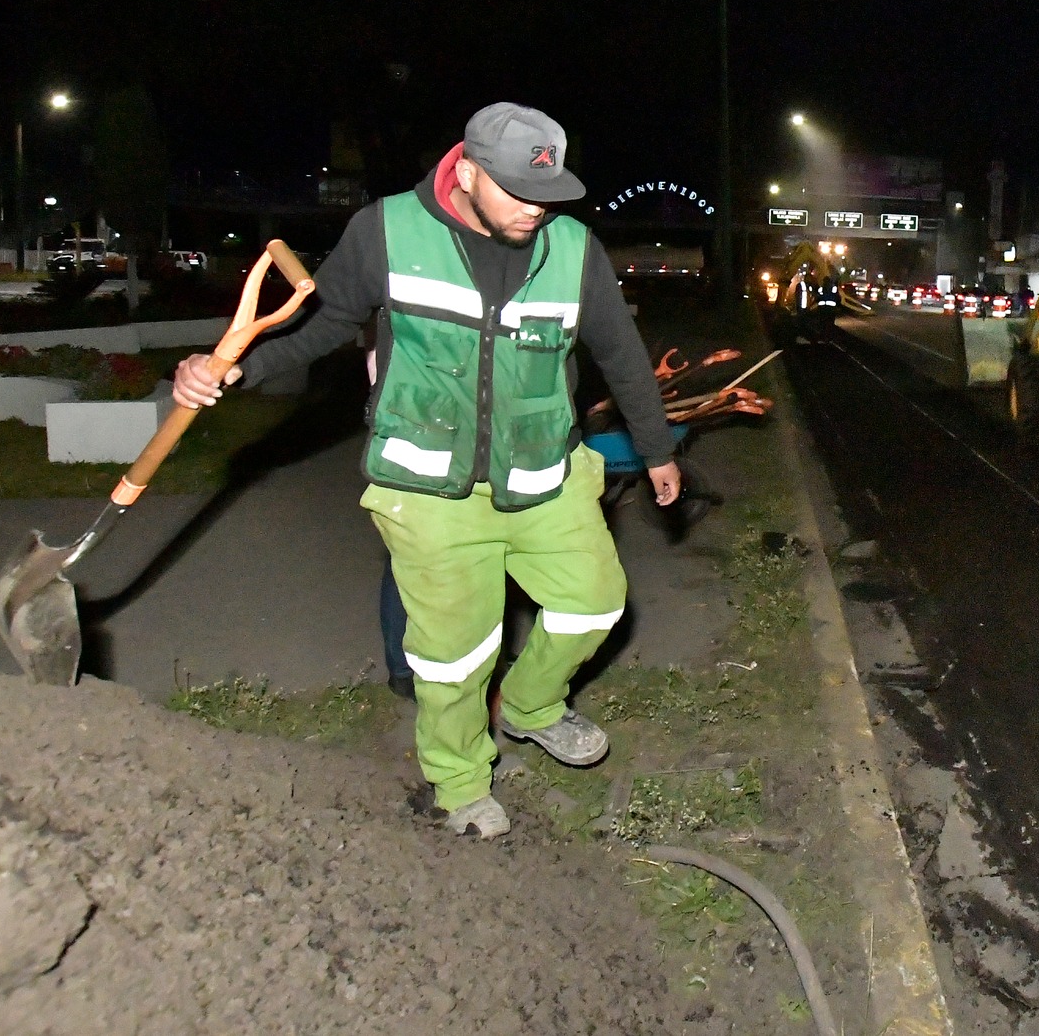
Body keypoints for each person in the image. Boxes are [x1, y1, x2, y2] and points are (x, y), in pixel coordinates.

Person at [173, 102, 678, 840]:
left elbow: (622, 353)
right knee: (455, 655)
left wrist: (657, 447)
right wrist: (229, 372)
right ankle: (462, 782)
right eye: (517, 191)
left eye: (548, 193)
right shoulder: (386, 231)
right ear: (466, 170)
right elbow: (326, 323)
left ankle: (534, 707)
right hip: (427, 484)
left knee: (596, 604)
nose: (537, 210)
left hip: (544, 473)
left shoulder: (573, 249)